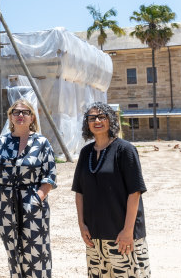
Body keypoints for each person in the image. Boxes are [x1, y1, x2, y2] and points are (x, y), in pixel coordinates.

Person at [72, 102, 150, 278]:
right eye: (92, 118)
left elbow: (135, 192)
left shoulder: (125, 150)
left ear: (111, 121)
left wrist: (128, 231)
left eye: (102, 116)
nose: (97, 121)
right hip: (94, 237)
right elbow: (79, 192)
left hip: (122, 235)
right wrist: (82, 224)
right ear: (87, 123)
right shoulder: (85, 153)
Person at [0, 98, 57, 278]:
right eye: (16, 112)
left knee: (37, 250)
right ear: (10, 117)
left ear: (32, 117)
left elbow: (49, 175)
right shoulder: (0, 142)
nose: (20, 115)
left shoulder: (42, 142)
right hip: (4, 204)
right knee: (13, 251)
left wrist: (37, 199)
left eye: (25, 112)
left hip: (32, 202)